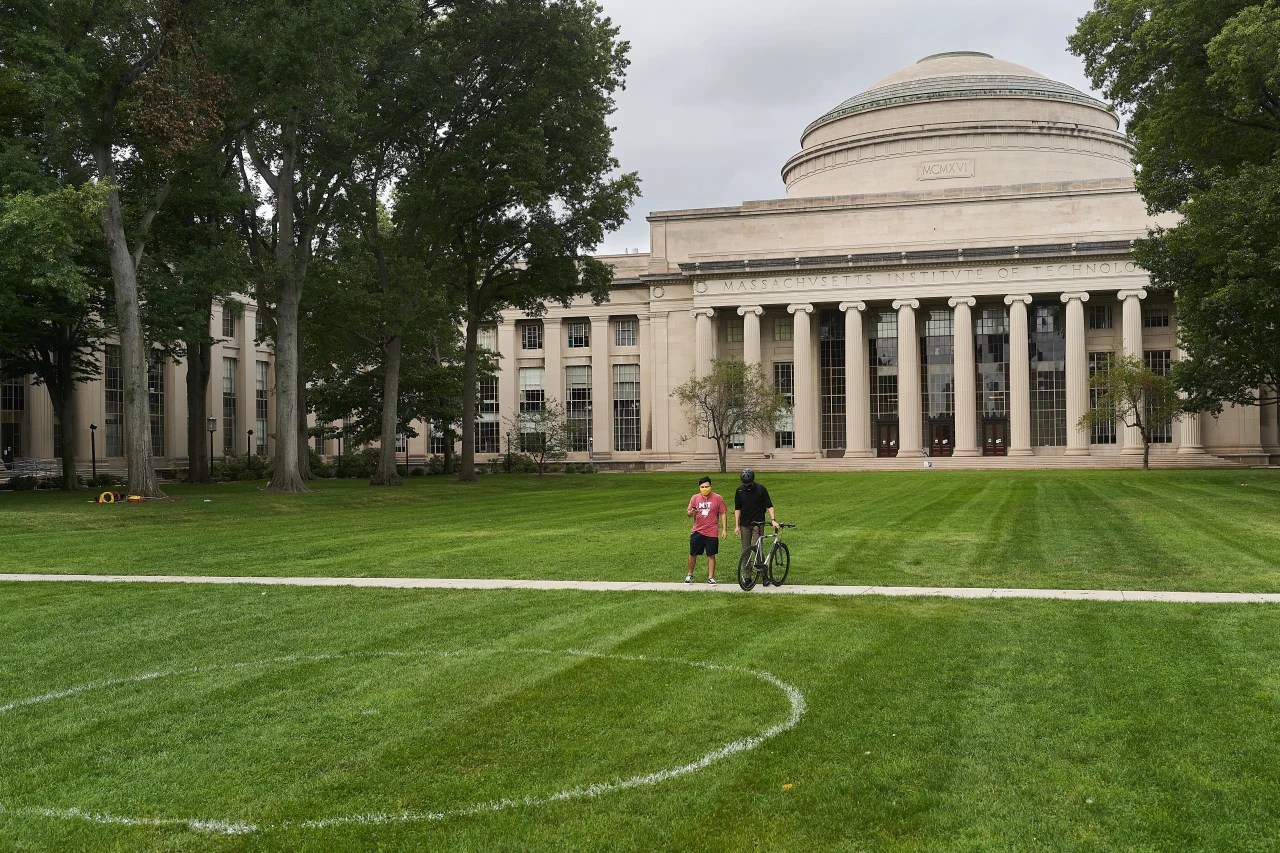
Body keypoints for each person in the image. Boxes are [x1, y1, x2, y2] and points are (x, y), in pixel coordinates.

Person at [734, 469, 780, 583]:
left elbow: (769, 505)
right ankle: (748, 576)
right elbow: (737, 509)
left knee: (758, 548)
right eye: (745, 483)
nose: (747, 486)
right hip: (745, 524)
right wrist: (736, 525)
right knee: (746, 551)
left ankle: (763, 575)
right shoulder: (739, 491)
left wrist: (773, 519)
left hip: (758, 524)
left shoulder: (761, 489)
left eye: (749, 483)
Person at [685, 475, 727, 585]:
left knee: (711, 555)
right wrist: (692, 512)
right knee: (693, 553)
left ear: (711, 486)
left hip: (712, 531)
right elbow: (689, 513)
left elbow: (723, 513)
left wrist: (724, 529)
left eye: (706, 486)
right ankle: (689, 575)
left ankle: (710, 577)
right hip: (697, 531)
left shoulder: (718, 498)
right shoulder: (695, 498)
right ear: (699, 487)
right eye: (702, 487)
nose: (705, 488)